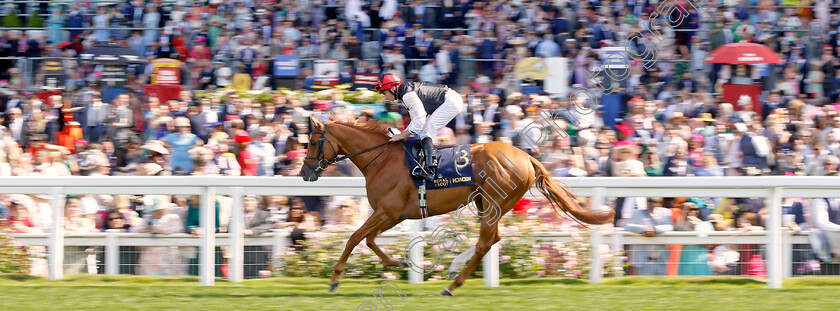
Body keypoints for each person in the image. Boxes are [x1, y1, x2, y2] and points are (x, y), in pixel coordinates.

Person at [374, 73, 465, 181]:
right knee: (423, 132)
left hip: (450, 101)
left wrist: (402, 135)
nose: (385, 97)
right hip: (449, 99)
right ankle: (432, 160)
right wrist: (404, 134)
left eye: (384, 93)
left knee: (426, 131)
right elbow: (417, 121)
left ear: (393, 88)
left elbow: (419, 119)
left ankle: (430, 169)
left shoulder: (407, 95)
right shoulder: (405, 93)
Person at [624, 197, 674, 275]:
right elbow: (627, 226)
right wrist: (643, 229)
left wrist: (655, 229)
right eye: (650, 201)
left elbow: (669, 226)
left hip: (659, 258)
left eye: (656, 202)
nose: (652, 204)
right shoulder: (637, 212)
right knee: (642, 284)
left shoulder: (666, 212)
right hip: (643, 259)